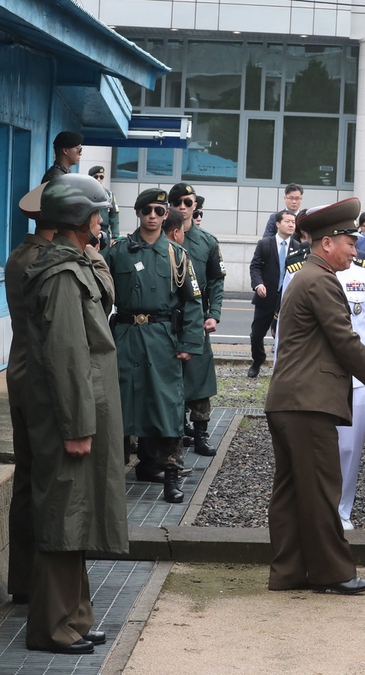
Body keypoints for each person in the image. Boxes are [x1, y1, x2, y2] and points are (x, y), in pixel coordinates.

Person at [22, 173, 127, 654]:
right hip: (73, 416)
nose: (101, 220)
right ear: (77, 219)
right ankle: (53, 627)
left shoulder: (75, 262)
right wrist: (77, 427)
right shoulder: (62, 274)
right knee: (64, 518)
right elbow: (67, 357)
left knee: (77, 515)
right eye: (96, 213)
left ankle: (75, 618)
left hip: (84, 410)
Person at [264, 197, 365, 595]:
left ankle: (289, 571)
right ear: (327, 243)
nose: (355, 249)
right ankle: (332, 571)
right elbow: (345, 339)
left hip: (290, 400)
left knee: (289, 492)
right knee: (321, 489)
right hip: (308, 402)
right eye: (349, 242)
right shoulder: (320, 280)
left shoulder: (305, 276)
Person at [103, 189, 205, 503]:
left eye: (159, 211)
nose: (152, 216)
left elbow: (192, 303)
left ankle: (171, 476)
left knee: (167, 407)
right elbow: (95, 294)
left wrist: (188, 343)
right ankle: (110, 479)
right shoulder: (117, 252)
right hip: (125, 337)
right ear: (138, 212)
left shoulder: (177, 254)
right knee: (118, 408)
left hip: (163, 340)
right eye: (147, 210)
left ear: (165, 215)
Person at [4, 184, 59, 605]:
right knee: (45, 481)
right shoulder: (46, 260)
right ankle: (40, 583)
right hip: (42, 377)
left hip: (23, 371)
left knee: (27, 479)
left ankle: (23, 581)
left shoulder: (23, 254)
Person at [171, 183, 226, 456]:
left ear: (195, 207)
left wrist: (213, 314)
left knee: (200, 377)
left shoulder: (207, 241)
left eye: (188, 202)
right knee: (172, 377)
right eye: (177, 201)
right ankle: (178, 432)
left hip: (197, 318)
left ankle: (202, 433)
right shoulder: (161, 239)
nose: (182, 206)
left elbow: (216, 282)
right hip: (168, 319)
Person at [333, 254, 365, 530]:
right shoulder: (302, 270)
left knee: (348, 447)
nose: (353, 248)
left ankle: (342, 509)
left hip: (355, 378)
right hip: (316, 378)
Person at [248, 211, 301, 378]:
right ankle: (257, 361)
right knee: (257, 334)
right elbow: (255, 267)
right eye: (287, 221)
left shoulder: (298, 247)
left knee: (285, 335)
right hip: (266, 298)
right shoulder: (264, 244)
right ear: (278, 224)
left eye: (293, 222)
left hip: (287, 300)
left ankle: (283, 367)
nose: (291, 225)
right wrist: (258, 284)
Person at [88, 166, 120, 240]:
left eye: (101, 177)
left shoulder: (109, 195)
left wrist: (115, 236)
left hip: (104, 231)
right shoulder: (86, 193)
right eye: (96, 177)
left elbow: (114, 215)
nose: (99, 179)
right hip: (89, 230)